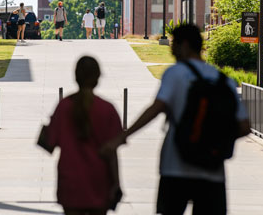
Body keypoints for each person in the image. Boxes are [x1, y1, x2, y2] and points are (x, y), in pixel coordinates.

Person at [102, 24, 250, 215]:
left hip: (175, 165)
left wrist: (124, 136)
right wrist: (213, 140)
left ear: (185, 45)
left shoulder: (175, 74)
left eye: (174, 44)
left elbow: (156, 109)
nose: (171, 49)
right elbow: (245, 127)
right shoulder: (223, 81)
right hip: (212, 170)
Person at [40, 56, 123, 215]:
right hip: (99, 181)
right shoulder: (108, 109)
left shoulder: (64, 107)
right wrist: (116, 183)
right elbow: (112, 153)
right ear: (98, 78)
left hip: (70, 181)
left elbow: (49, 142)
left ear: (76, 76)